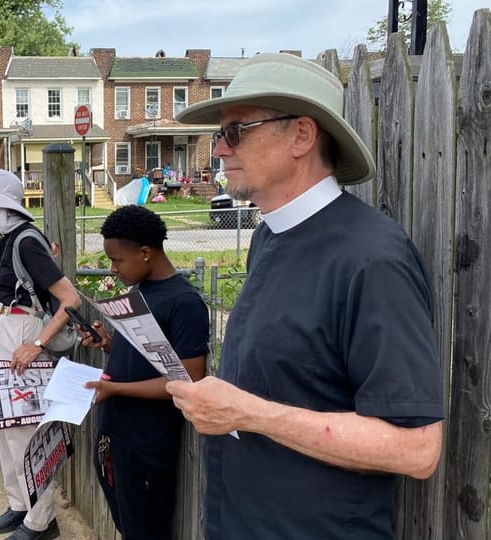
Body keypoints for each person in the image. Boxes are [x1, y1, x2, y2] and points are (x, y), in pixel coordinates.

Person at [166, 52, 444, 539]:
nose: (219, 150)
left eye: (236, 132)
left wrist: (249, 413)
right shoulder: (267, 237)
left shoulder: (372, 259)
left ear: (301, 135)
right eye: (219, 135)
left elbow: (417, 449)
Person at [0, 168, 81, 540]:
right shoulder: (11, 237)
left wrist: (38, 343)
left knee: (26, 430)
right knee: (2, 423)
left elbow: (70, 298)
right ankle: (19, 504)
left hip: (21, 331)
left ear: (0, 203)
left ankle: (41, 521)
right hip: (0, 327)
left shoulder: (25, 240)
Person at [79, 205, 209, 540]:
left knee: (144, 532)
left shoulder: (184, 303)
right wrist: (108, 344)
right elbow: (149, 358)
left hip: (146, 447)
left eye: (118, 260)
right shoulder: (140, 291)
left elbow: (187, 381)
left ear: (146, 253)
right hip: (115, 436)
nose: (113, 268)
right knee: (126, 526)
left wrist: (117, 389)